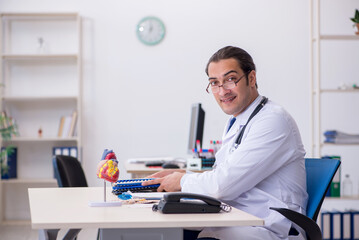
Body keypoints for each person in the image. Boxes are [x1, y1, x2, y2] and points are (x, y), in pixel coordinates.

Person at [143, 46, 308, 240]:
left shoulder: (272, 120)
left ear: (251, 78)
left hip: (267, 227)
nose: (222, 91)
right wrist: (181, 176)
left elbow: (221, 186)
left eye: (230, 79)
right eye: (214, 83)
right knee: (156, 230)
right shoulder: (237, 120)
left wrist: (182, 181)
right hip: (237, 218)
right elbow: (224, 176)